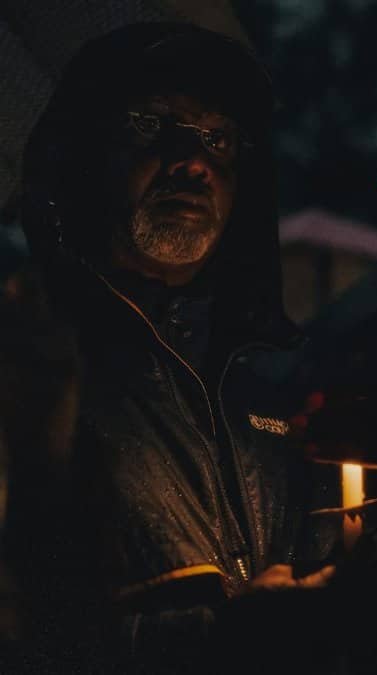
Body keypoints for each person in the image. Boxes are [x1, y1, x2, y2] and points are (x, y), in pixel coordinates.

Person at [15, 23, 340, 671]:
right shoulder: (30, 360)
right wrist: (223, 642)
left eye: (217, 139)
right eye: (150, 124)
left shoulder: (275, 374)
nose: (193, 160)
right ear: (81, 155)